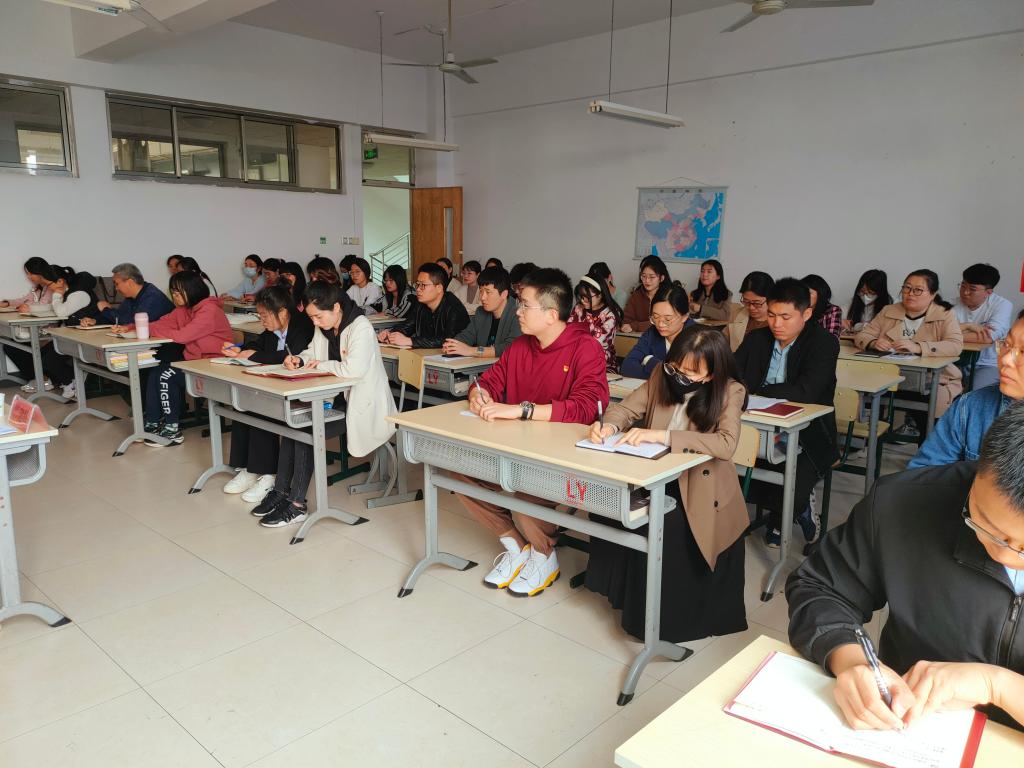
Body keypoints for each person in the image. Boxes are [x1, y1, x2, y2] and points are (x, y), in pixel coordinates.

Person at [786, 403, 1024, 733]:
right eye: (986, 525)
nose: (1006, 554)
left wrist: (996, 686)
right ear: (980, 466)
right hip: (910, 729)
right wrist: (851, 659)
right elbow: (822, 588)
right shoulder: (904, 502)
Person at [586, 326, 749, 642]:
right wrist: (608, 427)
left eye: (692, 373)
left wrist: (663, 436)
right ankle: (626, 601)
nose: (681, 377)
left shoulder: (730, 390)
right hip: (656, 475)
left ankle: (665, 625)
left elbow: (726, 444)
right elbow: (625, 409)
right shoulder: (662, 374)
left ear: (712, 374)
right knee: (608, 508)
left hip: (700, 487)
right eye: (677, 368)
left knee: (666, 526)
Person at [460, 268, 609, 596]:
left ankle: (543, 554)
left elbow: (587, 407)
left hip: (561, 459)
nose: (518, 311)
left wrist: (522, 409)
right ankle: (515, 545)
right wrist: (479, 395)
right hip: (516, 449)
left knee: (526, 488)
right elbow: (489, 381)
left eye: (525, 305)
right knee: (457, 468)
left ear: (552, 314)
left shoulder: (585, 348)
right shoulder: (520, 346)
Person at [252, 281, 396, 528]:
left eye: (318, 316)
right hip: (333, 398)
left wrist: (320, 365)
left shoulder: (360, 326)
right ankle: (281, 492)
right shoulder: (325, 326)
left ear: (336, 307)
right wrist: (299, 359)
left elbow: (353, 370)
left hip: (361, 405)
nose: (315, 323)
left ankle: (297, 505)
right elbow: (312, 352)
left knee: (307, 431)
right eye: (312, 318)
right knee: (293, 427)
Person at [735, 277, 839, 547]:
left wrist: (758, 392)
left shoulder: (824, 343)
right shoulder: (757, 338)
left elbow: (807, 391)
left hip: (809, 431)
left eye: (785, 317)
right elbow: (732, 375)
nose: (776, 324)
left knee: (789, 494)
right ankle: (789, 507)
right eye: (771, 315)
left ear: (806, 314)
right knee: (731, 467)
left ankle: (795, 508)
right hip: (757, 425)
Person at [219, 285, 314, 503]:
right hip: (275, 384)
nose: (262, 321)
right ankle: (247, 468)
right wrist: (241, 350)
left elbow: (291, 356)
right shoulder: (274, 328)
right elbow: (257, 344)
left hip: (298, 391)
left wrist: (253, 355)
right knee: (242, 404)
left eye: (264, 315)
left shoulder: (303, 326)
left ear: (282, 312)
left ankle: (267, 474)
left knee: (260, 407)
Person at [854, 269, 963, 439]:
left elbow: (955, 345)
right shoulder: (889, 310)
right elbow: (863, 335)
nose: (910, 294)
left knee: (932, 409)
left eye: (918, 290)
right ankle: (862, 440)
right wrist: (874, 342)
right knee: (859, 392)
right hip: (888, 375)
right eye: (907, 288)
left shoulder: (944, 314)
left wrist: (919, 347)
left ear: (933, 294)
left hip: (930, 379)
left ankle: (928, 447)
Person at [908, 312, 1024, 468]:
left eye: (1023, 352)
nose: (1005, 359)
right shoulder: (969, 408)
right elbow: (923, 473)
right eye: (1007, 344)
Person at [141, 271, 233, 446]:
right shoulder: (183, 310)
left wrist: (160, 331)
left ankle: (172, 430)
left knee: (166, 375)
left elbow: (182, 336)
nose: (174, 296)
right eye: (173, 292)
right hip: (195, 364)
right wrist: (133, 326)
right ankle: (153, 422)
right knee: (156, 372)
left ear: (192, 289)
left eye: (178, 292)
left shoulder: (209, 310)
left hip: (215, 366)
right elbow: (159, 324)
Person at [39, 266, 102, 400]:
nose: (48, 288)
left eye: (48, 285)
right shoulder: (68, 292)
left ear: (60, 281)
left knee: (49, 359)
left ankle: (73, 381)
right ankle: (70, 379)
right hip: (74, 335)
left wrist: (57, 295)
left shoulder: (79, 294)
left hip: (88, 338)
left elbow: (61, 312)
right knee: (42, 354)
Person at [378, 263, 469, 348]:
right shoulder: (421, 304)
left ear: (439, 288)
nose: (418, 289)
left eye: (423, 285)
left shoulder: (454, 308)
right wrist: (390, 334)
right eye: (417, 284)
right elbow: (407, 326)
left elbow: (449, 340)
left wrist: (410, 341)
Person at [954, 263, 1012, 390]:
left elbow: (987, 338)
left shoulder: (1002, 305)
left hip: (988, 364)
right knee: (936, 387)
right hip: (955, 361)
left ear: (988, 292)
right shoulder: (955, 304)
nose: (965, 292)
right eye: (962, 286)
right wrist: (967, 326)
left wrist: (951, 334)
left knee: (975, 393)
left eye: (972, 289)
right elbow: (936, 331)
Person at [442, 266, 520, 358]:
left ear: (504, 294)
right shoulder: (481, 312)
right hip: (482, 365)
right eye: (481, 291)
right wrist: (453, 345)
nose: (482, 297)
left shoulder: (519, 313)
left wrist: (472, 351)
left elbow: (511, 348)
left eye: (488, 292)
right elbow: (467, 335)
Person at [620, 283, 695, 379]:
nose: (660, 324)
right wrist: (665, 370)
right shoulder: (652, 333)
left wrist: (650, 362)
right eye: (655, 317)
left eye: (668, 319)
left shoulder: (698, 338)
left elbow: (685, 379)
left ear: (684, 317)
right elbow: (627, 367)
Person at [87, 263, 173, 327]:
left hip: (165, 344)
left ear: (130, 283)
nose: (116, 288)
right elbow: (119, 316)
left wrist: (105, 310)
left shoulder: (153, 297)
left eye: (117, 284)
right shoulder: (132, 297)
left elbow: (130, 323)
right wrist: (95, 321)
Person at [569, 272, 623, 372]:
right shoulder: (578, 308)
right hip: (576, 360)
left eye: (587, 297)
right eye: (581, 296)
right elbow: (567, 333)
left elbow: (594, 343)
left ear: (600, 295)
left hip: (603, 365)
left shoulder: (610, 314)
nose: (583, 300)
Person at [725, 271, 774, 352]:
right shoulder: (736, 314)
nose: (751, 307)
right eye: (746, 301)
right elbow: (722, 341)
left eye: (757, 303)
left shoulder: (779, 321)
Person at [622, 255, 671, 333]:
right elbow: (626, 322)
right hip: (638, 337)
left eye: (652, 277)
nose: (647, 281)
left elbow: (665, 322)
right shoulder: (636, 296)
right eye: (644, 276)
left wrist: (636, 326)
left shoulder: (669, 296)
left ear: (661, 278)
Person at [803, 273, 843, 339]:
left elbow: (832, 339)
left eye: (809, 293)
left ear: (820, 294)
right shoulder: (797, 309)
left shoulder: (832, 310)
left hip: (821, 345)